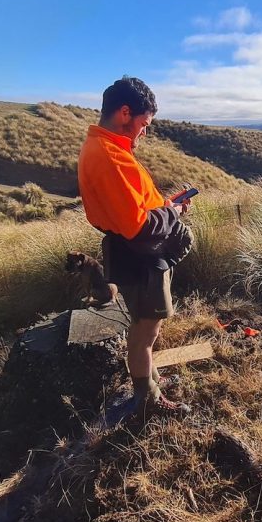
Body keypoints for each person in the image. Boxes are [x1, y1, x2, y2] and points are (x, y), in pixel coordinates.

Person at [77, 76, 193, 417]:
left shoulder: (105, 148)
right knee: (146, 330)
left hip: (131, 252)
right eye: (144, 124)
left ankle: (152, 380)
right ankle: (148, 400)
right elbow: (139, 226)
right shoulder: (111, 156)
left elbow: (135, 208)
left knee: (145, 326)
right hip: (140, 256)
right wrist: (171, 214)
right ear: (124, 113)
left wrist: (165, 206)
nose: (144, 131)